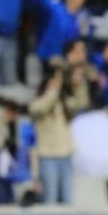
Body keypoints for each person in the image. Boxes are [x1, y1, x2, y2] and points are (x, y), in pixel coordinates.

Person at [30, 68, 74, 205]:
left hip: (65, 155)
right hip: (48, 156)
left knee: (68, 199)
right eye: (54, 82)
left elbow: (79, 103)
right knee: (50, 198)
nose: (57, 86)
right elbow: (42, 107)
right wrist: (52, 91)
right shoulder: (37, 104)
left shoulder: (62, 104)